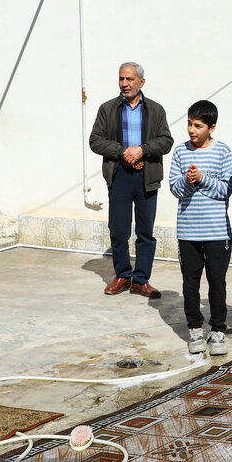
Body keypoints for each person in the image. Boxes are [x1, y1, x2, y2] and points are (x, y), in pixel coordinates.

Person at [89, 62, 173, 299]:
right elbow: (95, 140)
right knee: (118, 229)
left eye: (129, 79)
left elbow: (166, 141)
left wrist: (142, 150)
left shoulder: (156, 110)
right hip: (120, 175)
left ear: (141, 82)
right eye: (121, 79)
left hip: (147, 175)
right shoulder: (108, 109)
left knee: (145, 231)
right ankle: (123, 275)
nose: (124, 84)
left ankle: (141, 280)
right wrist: (122, 152)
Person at [168, 100, 232, 356]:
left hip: (217, 231)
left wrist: (203, 178)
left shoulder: (223, 152)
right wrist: (187, 179)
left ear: (212, 127)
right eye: (189, 124)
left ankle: (218, 330)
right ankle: (195, 328)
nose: (191, 130)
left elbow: (225, 191)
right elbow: (175, 189)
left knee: (217, 281)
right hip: (188, 231)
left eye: (198, 126)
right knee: (190, 282)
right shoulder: (180, 152)